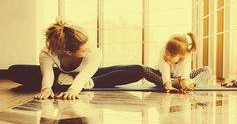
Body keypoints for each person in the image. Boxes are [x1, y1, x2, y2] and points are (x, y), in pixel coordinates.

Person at [8, 20, 144, 100]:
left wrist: (73, 89)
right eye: (84, 50)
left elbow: (85, 74)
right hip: (57, 75)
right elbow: (48, 73)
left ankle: (79, 83)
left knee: (137, 70)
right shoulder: (47, 52)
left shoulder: (94, 52)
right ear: (68, 51)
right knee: (14, 70)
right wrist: (46, 88)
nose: (89, 49)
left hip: (90, 75)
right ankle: (65, 81)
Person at [143, 32, 211, 93]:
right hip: (162, 77)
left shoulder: (186, 55)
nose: (168, 56)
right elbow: (164, 69)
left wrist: (186, 82)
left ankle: (191, 83)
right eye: (166, 52)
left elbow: (185, 72)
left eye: (172, 55)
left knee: (207, 70)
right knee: (144, 69)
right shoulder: (163, 52)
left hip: (180, 78)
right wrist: (168, 84)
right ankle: (175, 83)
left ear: (182, 56)